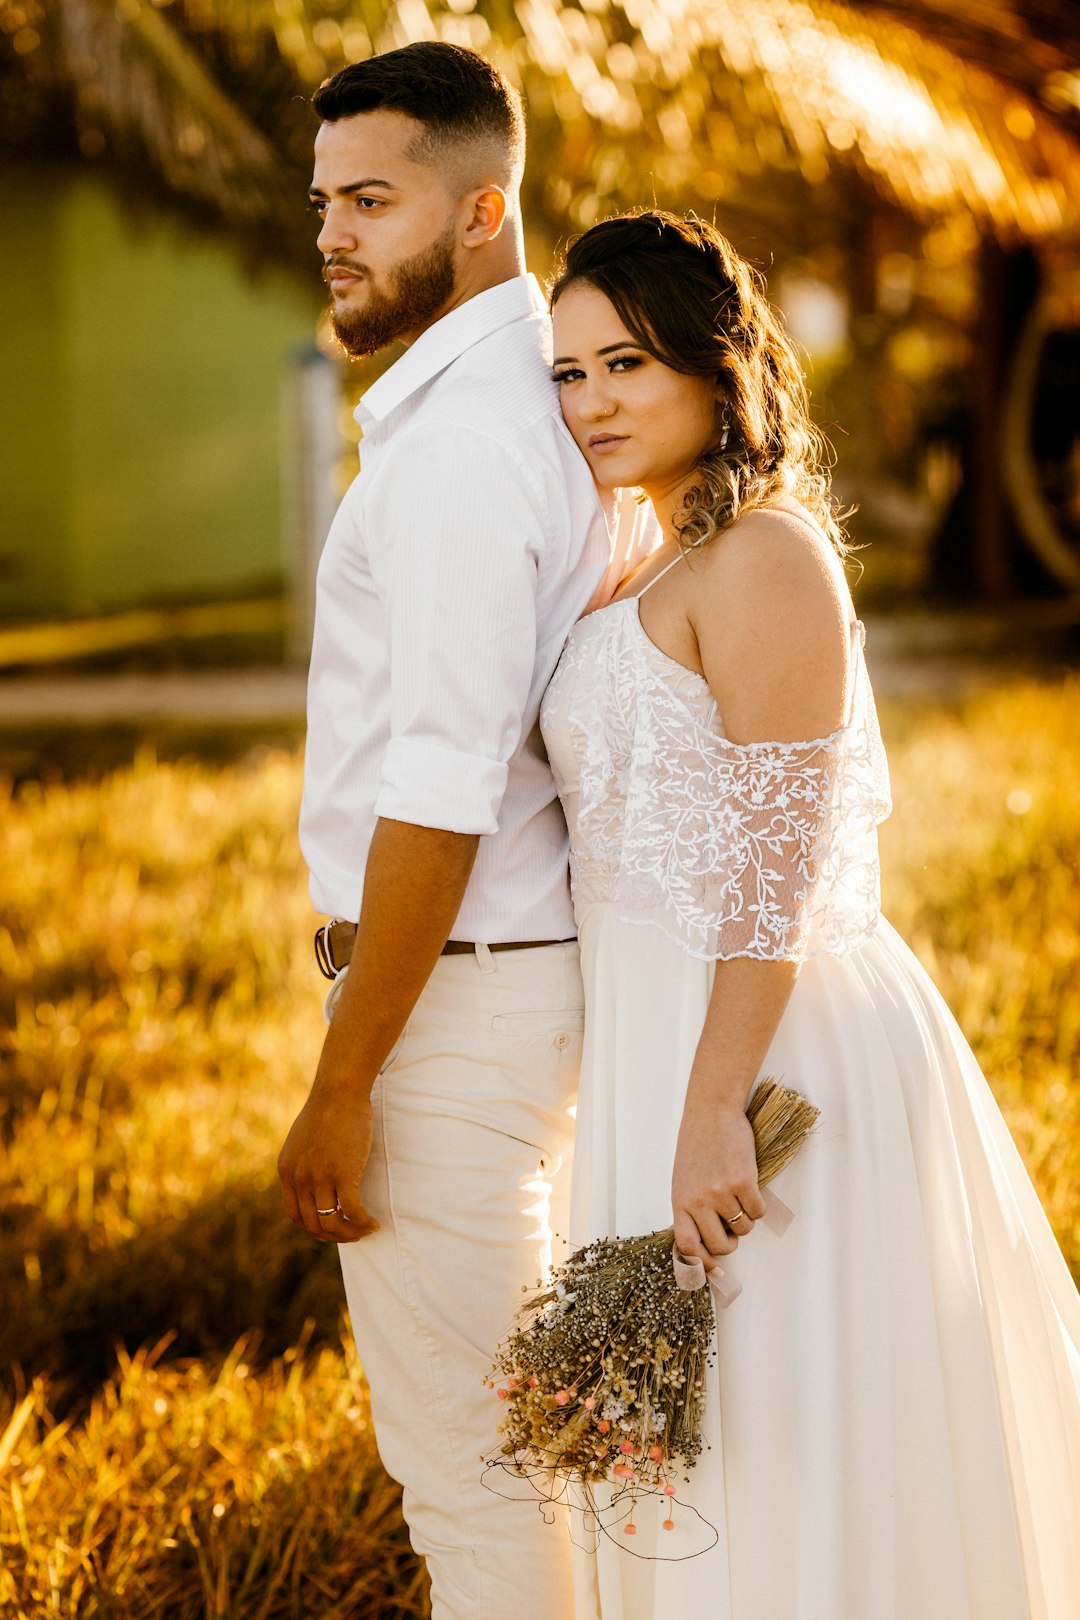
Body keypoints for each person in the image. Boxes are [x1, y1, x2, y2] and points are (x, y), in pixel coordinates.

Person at [539, 211, 1080, 1619]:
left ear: (717, 371)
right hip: (657, 1037)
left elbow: (778, 867)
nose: (594, 402)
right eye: (570, 374)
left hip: (770, 1051)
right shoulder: (635, 560)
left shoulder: (767, 557)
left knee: (793, 1429)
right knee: (703, 1458)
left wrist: (716, 1102)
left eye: (628, 366)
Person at [276, 43, 632, 1620]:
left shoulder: (473, 446)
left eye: (373, 200)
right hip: (493, 987)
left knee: (475, 1485)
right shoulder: (511, 410)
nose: (335, 235)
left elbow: (440, 792)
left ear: (484, 209)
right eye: (324, 204)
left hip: (446, 1010)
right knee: (529, 1468)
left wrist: (343, 1081)